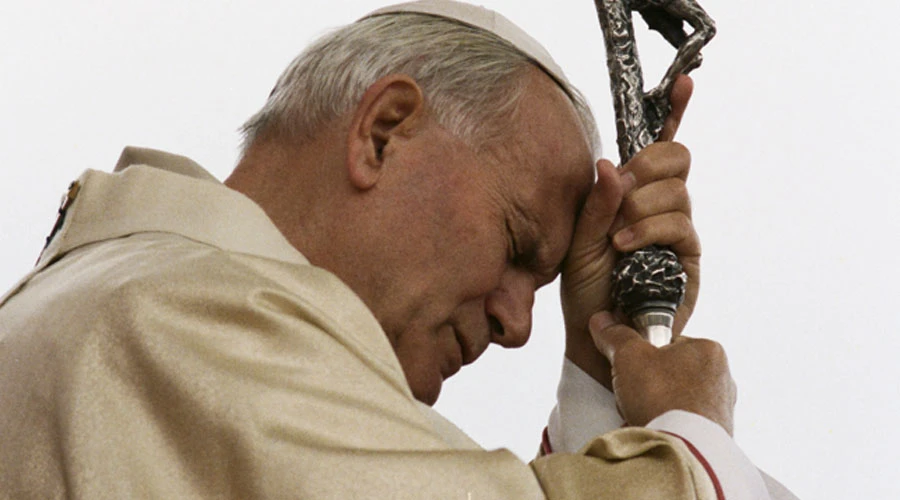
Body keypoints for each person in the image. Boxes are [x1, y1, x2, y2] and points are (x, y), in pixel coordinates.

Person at [0, 0, 797, 498]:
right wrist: (692, 440)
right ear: (383, 134)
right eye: (517, 244)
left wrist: (600, 361)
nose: (519, 326)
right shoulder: (183, 318)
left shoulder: (132, 295)